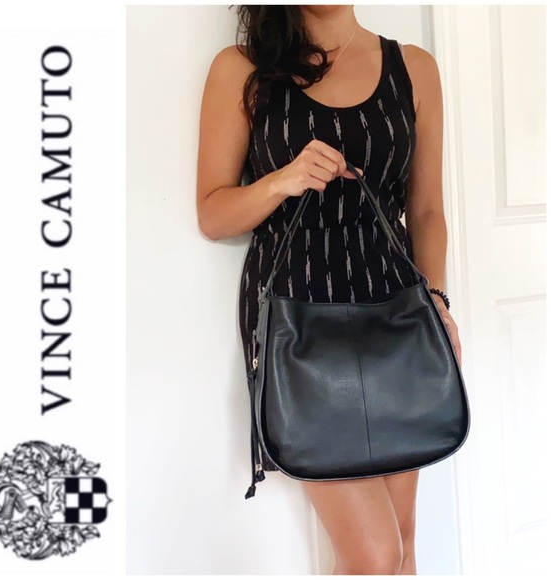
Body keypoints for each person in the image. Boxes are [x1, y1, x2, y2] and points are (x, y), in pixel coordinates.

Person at [196, 4, 462, 575]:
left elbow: (427, 211)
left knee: (403, 539)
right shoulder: (242, 69)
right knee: (375, 555)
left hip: (395, 310)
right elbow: (213, 214)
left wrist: (437, 304)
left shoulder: (413, 68)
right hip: (299, 320)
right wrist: (283, 180)